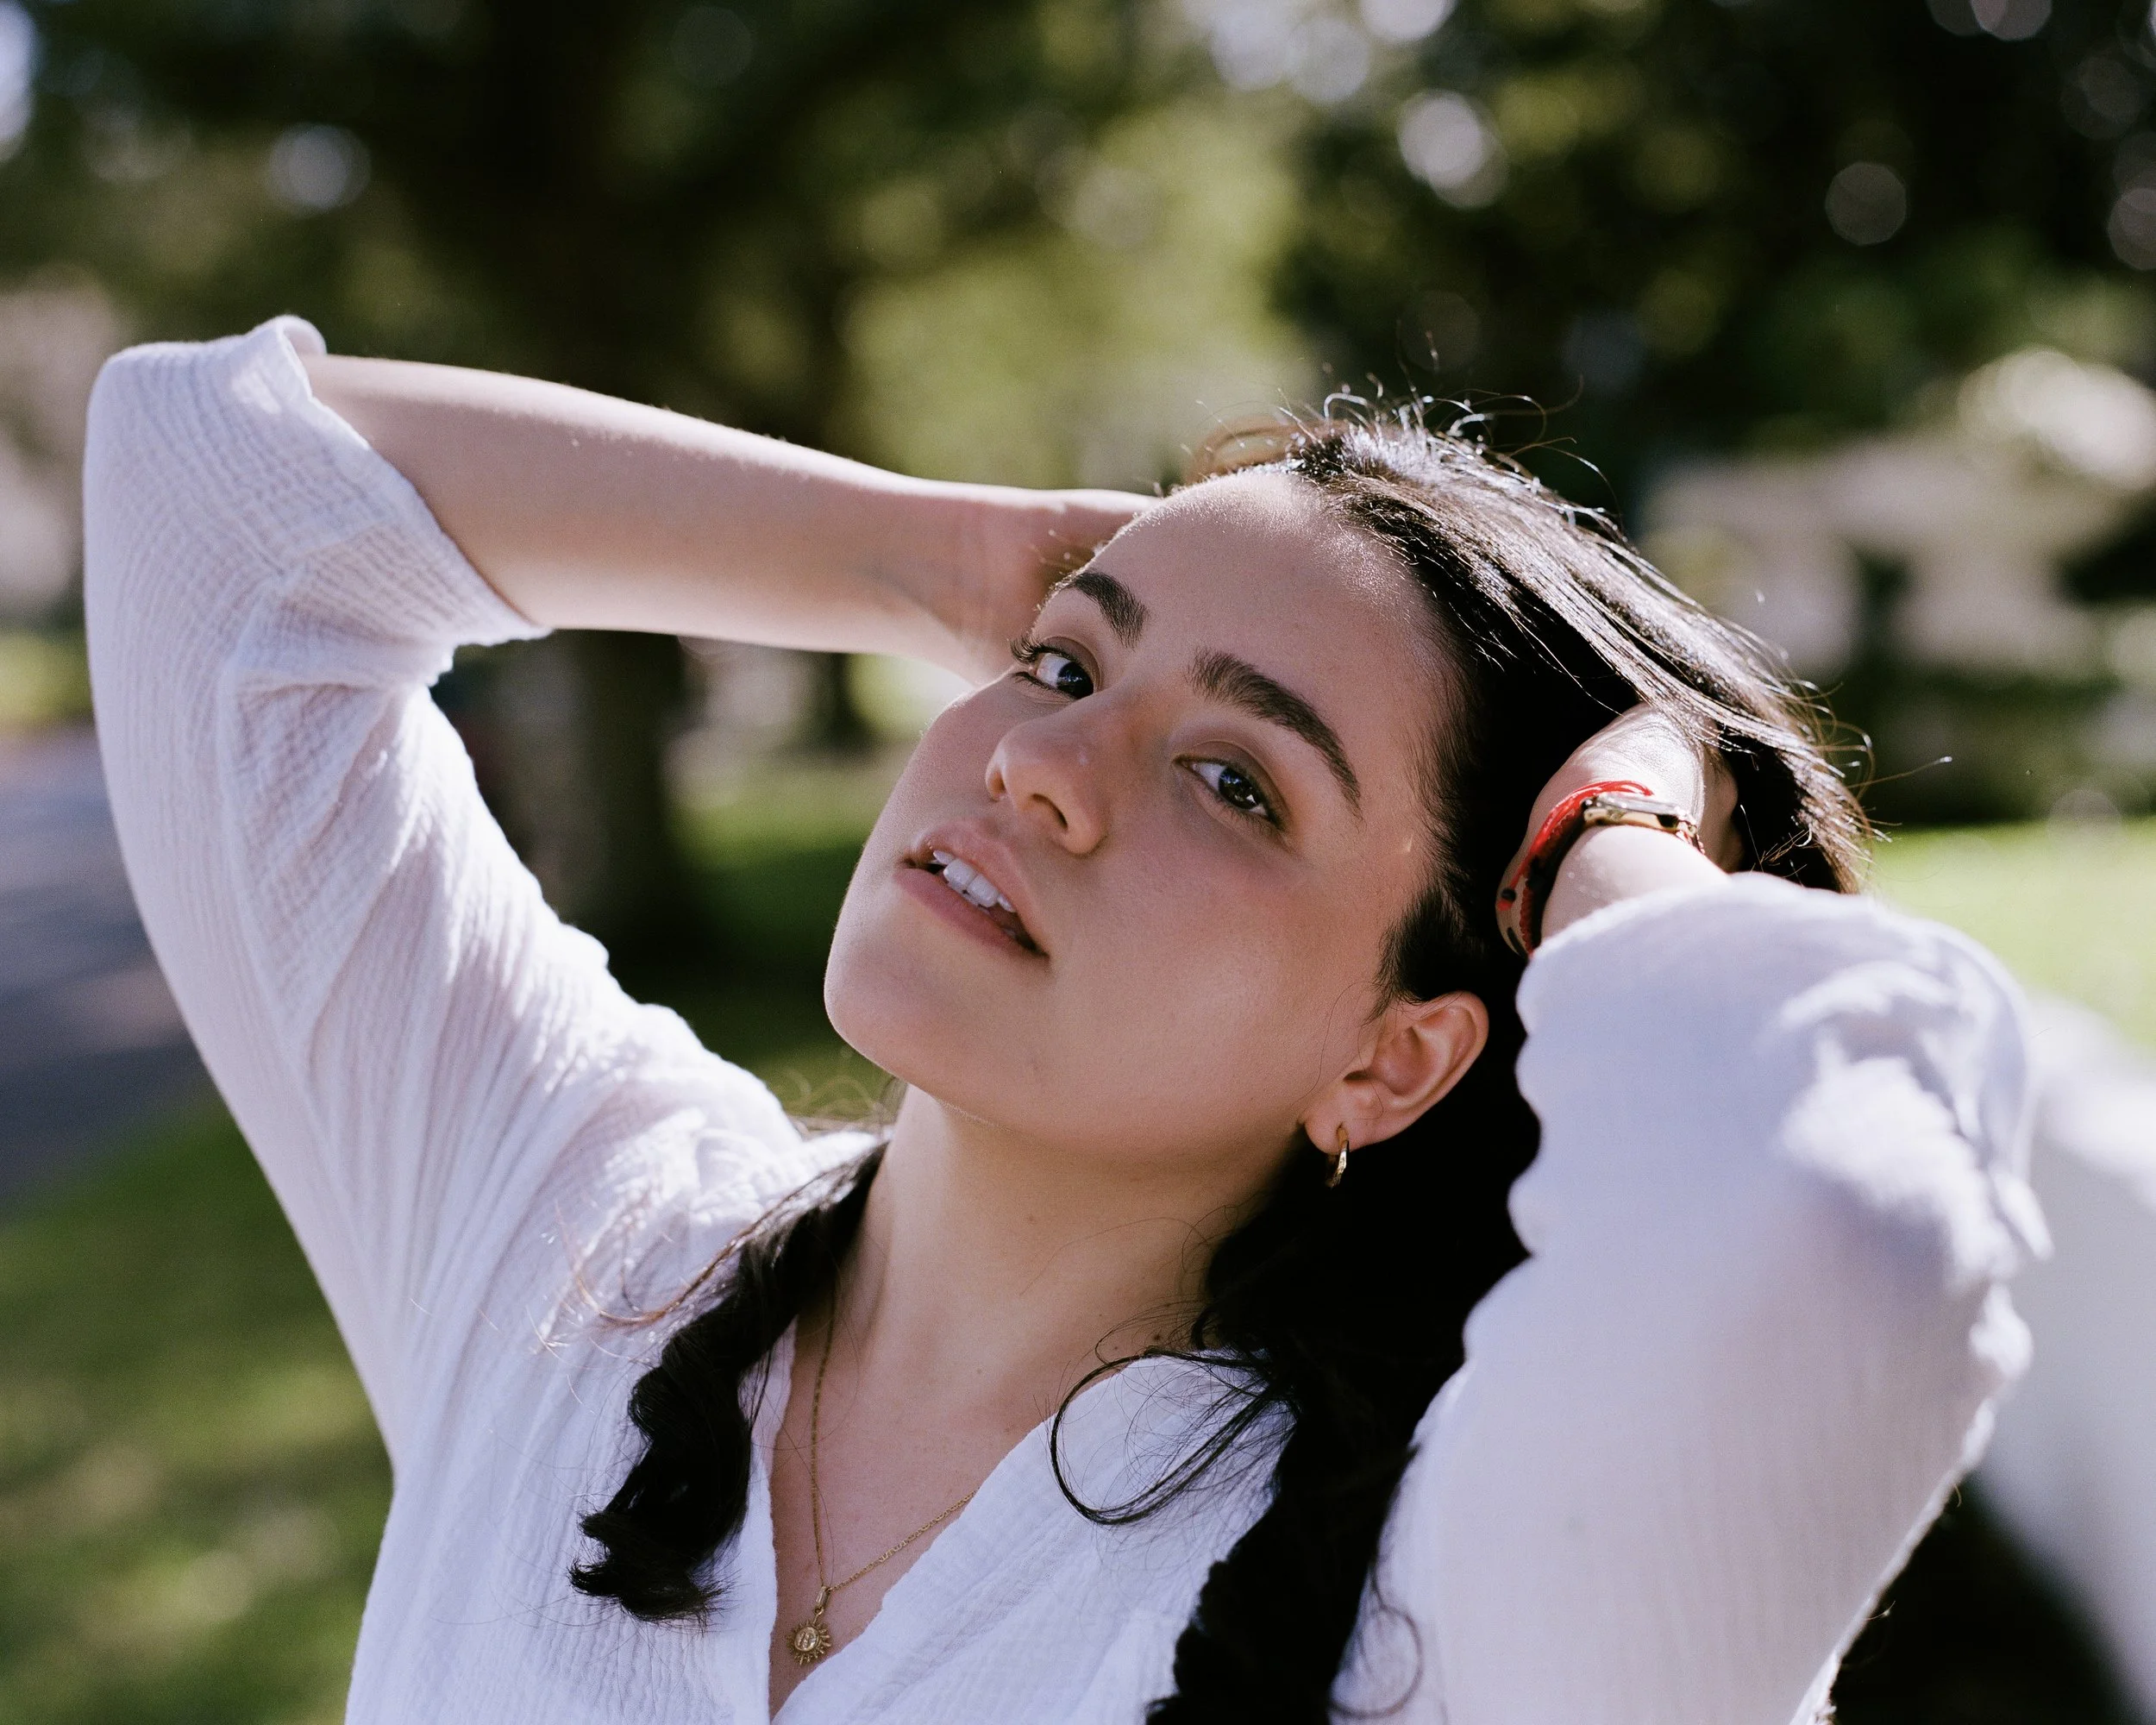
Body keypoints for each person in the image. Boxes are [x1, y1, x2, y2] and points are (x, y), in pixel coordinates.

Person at [83, 317, 2041, 1725]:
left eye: (1236, 781)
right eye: (1055, 662)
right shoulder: (579, 1235)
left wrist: (1610, 841)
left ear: (1398, 1050)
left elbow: (1837, 1234)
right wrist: (925, 554)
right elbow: (213, 499)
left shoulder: (1445, 1597)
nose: (1039, 766)